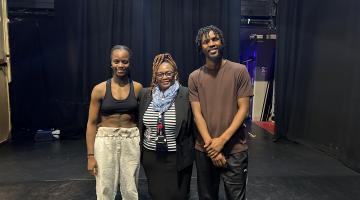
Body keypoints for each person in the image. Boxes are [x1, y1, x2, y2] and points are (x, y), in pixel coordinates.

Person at [188, 25, 253, 200]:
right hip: (205, 150)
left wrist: (222, 141)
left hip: (235, 149)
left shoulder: (239, 71)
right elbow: (197, 115)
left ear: (221, 42)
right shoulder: (194, 77)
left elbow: (244, 109)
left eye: (215, 39)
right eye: (206, 41)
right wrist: (212, 149)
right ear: (201, 47)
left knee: (236, 197)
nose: (211, 43)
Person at [86, 45, 143, 200]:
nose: (120, 65)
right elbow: (91, 123)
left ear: (129, 63)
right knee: (105, 187)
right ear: (111, 63)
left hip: (130, 139)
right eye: (116, 61)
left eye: (124, 61)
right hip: (105, 140)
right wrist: (90, 156)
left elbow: (141, 120)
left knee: (131, 188)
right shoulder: (99, 89)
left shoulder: (137, 88)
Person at [138, 53, 195, 200]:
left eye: (168, 73)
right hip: (151, 156)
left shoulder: (186, 94)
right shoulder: (145, 94)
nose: (165, 77)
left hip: (177, 157)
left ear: (175, 74)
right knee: (156, 194)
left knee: (178, 195)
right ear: (155, 76)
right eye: (160, 74)